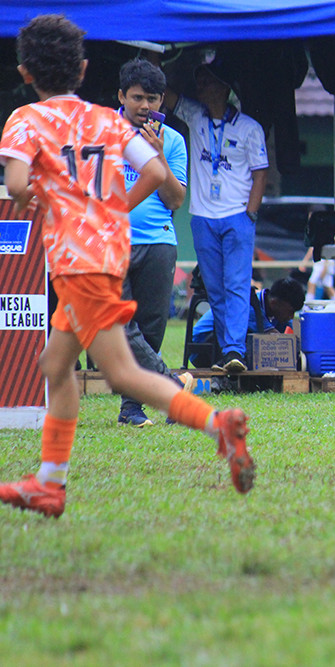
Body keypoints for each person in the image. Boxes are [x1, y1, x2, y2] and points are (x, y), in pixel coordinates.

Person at [0, 15, 255, 518]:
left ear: (26, 72)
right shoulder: (109, 120)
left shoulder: (25, 119)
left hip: (77, 261)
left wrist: (52, 200)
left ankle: (218, 424)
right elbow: (158, 171)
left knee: (120, 372)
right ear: (85, 68)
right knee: (55, 364)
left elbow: (16, 185)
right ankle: (50, 483)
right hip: (108, 251)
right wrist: (112, 207)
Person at [163, 57, 268, 374]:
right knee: (215, 287)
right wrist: (158, 57)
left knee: (236, 285)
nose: (201, 86)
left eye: (208, 80)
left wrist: (250, 213)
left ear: (225, 88)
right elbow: (165, 96)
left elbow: (260, 174)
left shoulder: (250, 128)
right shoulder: (195, 117)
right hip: (202, 218)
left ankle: (234, 348)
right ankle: (228, 350)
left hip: (237, 216)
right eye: (200, 81)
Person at [115, 57, 189, 426]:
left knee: (152, 326)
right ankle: (171, 387)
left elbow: (175, 201)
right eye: (138, 97)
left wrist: (157, 154)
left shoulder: (173, 140)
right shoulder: (103, 134)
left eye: (154, 99)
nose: (146, 106)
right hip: (110, 240)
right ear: (122, 96)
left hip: (159, 241)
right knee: (120, 322)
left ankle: (133, 407)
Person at [189, 276, 305, 367]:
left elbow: (295, 336)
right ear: (274, 303)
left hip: (218, 344)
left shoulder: (275, 311)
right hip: (202, 347)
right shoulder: (250, 305)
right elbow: (277, 339)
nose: (291, 317)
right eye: (290, 311)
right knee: (265, 342)